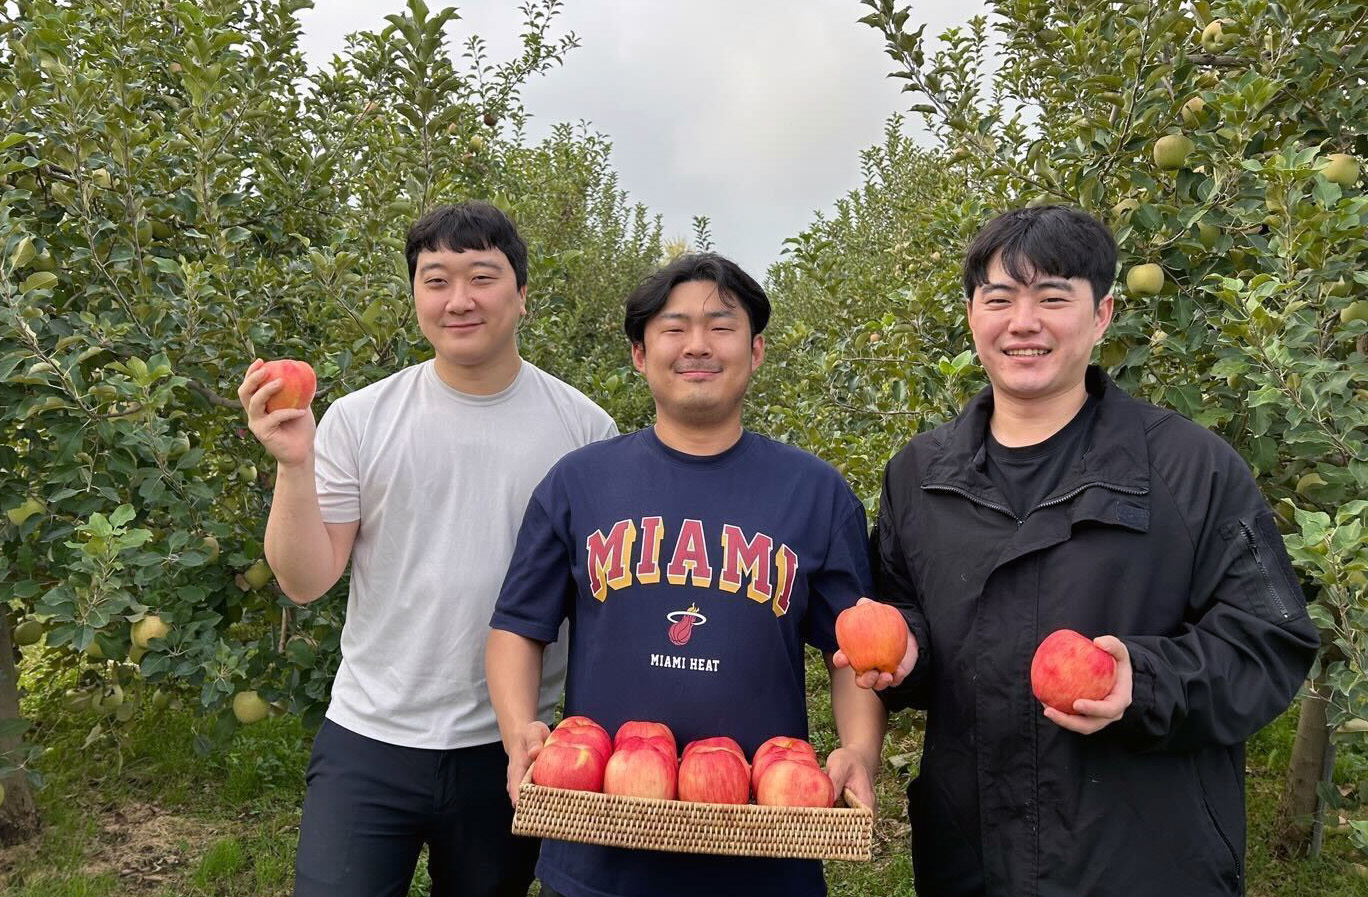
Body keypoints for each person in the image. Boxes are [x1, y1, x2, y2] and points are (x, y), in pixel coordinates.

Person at [871, 204, 1319, 896]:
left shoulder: (1190, 469)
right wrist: (907, 655)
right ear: (972, 315)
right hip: (973, 863)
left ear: (1103, 313)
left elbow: (1270, 641)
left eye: (1053, 297)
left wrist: (1144, 679)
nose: (1024, 322)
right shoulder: (919, 476)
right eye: (1000, 299)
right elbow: (918, 626)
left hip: (1144, 864)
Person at [485, 252, 912, 897]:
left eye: (721, 325)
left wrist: (860, 749)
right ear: (639, 353)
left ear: (757, 349)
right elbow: (519, 627)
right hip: (601, 843)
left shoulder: (816, 494)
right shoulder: (579, 483)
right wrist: (519, 728)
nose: (697, 345)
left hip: (769, 840)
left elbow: (854, 651)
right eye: (673, 327)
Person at [237, 201, 617, 897]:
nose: (459, 299)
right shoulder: (361, 417)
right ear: (415, 296)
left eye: (482, 276)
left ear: (523, 296)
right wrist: (295, 463)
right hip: (370, 735)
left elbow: (605, 602)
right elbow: (304, 578)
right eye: (436, 279)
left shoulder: (585, 430)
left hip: (509, 744)